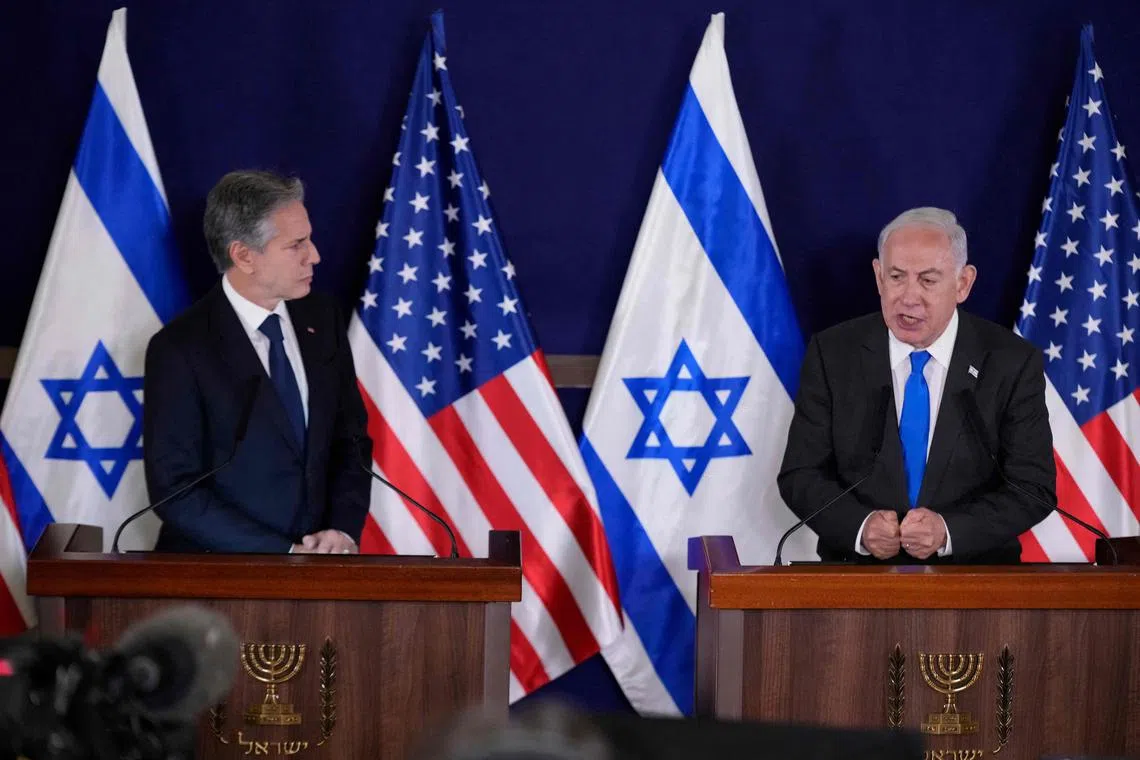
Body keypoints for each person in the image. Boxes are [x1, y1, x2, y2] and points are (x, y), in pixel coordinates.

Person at [778, 207, 1055, 564]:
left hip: (977, 585)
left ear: (963, 283)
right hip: (855, 583)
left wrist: (949, 532)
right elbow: (800, 475)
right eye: (896, 277)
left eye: (927, 280)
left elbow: (1033, 488)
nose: (908, 297)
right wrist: (860, 528)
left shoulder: (1010, 362)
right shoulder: (833, 355)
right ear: (878, 277)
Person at [143, 170, 372, 554]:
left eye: (309, 240)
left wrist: (341, 529)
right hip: (217, 578)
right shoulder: (180, 349)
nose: (314, 255)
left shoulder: (323, 319)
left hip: (322, 572)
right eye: (296, 244)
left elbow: (350, 439)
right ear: (244, 256)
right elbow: (176, 490)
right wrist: (282, 552)